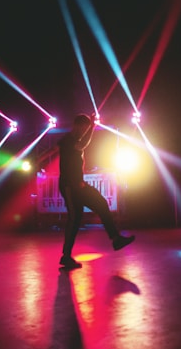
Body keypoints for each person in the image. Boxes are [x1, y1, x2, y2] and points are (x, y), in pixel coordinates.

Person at [57, 113, 135, 269]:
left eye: (87, 129)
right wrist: (93, 126)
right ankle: (66, 256)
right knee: (74, 219)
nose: (85, 132)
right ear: (77, 126)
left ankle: (115, 239)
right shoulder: (68, 140)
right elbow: (81, 145)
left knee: (101, 203)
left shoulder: (72, 140)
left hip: (79, 185)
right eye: (84, 128)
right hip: (69, 186)